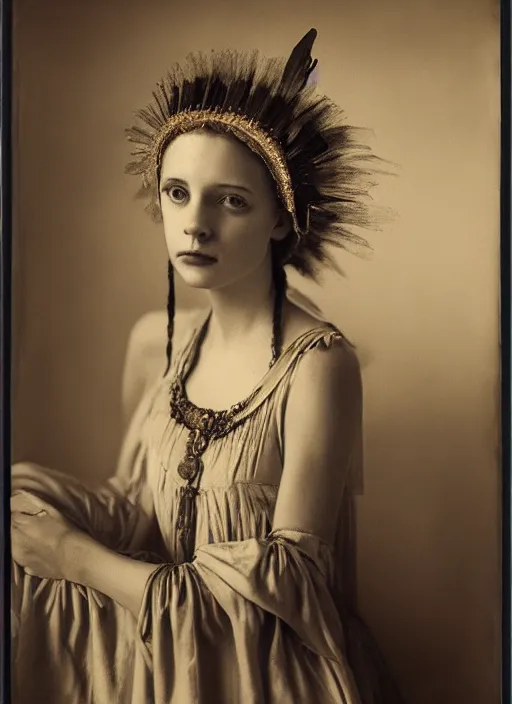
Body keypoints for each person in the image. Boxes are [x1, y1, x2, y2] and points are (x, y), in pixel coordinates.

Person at [10, 29, 405, 704]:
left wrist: (75, 557)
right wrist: (39, 512)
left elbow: (284, 583)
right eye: (176, 193)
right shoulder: (152, 344)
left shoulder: (320, 368)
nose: (194, 225)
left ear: (281, 220)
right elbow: (140, 511)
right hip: (161, 659)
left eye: (231, 200)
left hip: (268, 672)